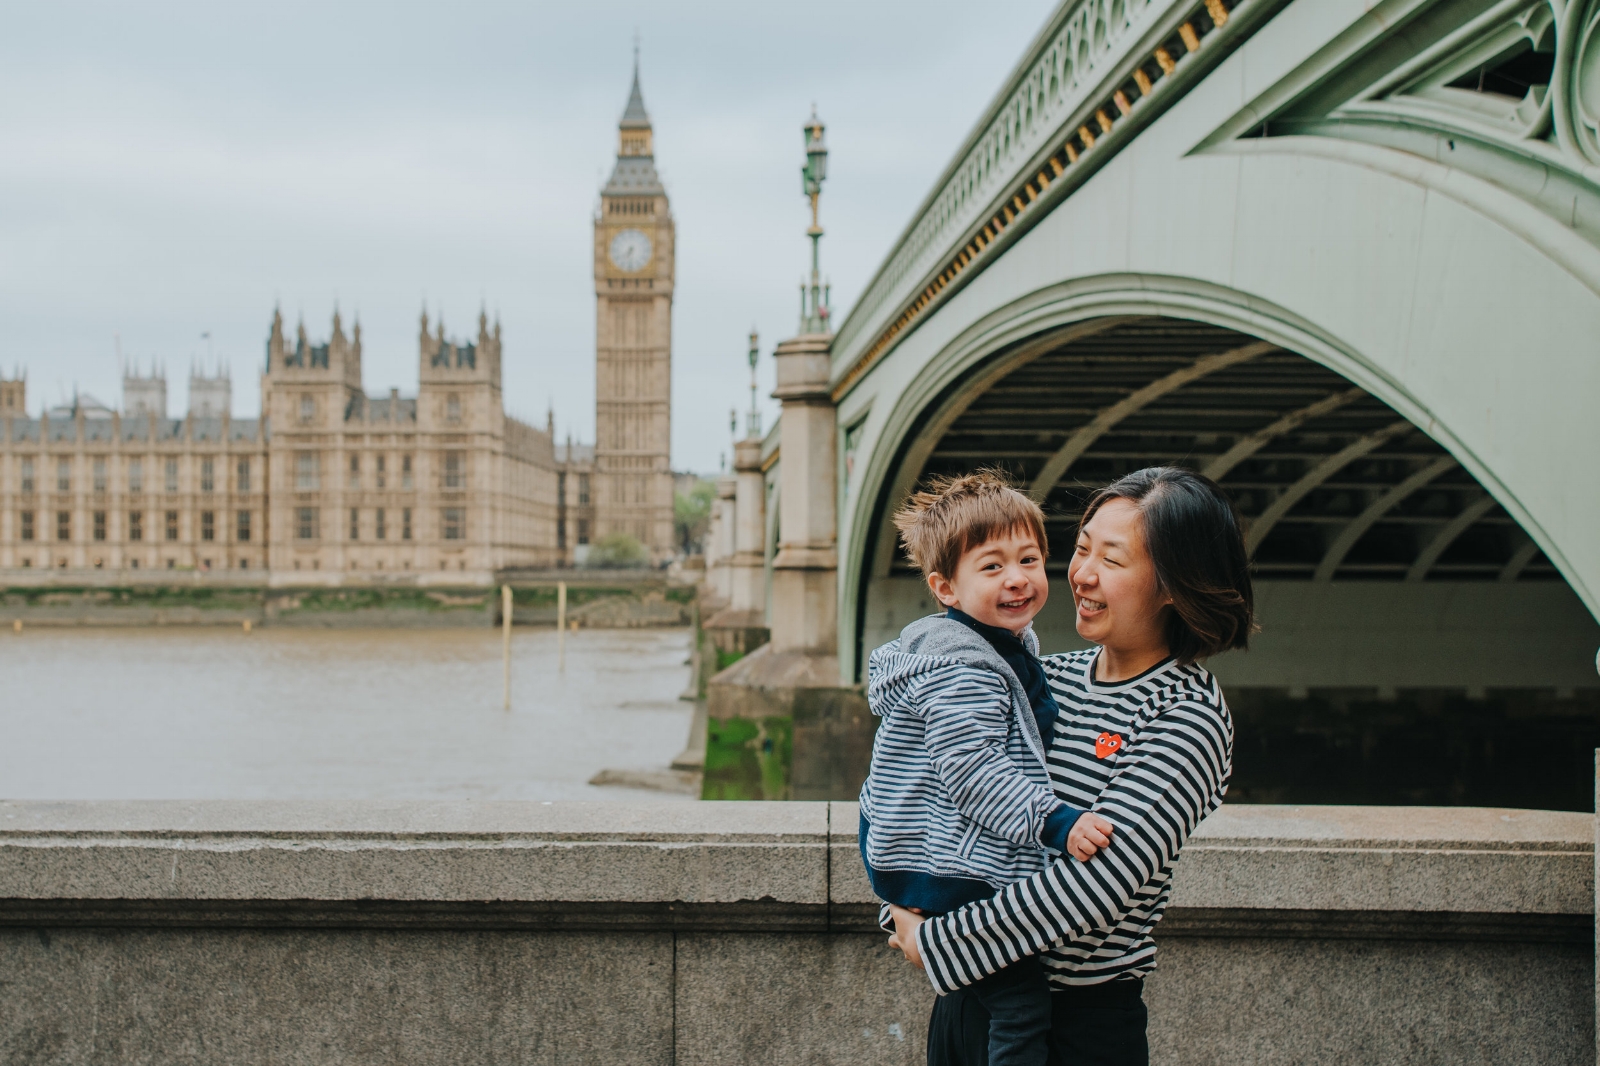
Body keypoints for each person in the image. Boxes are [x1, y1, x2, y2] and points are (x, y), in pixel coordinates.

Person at [886, 466, 1256, 1066]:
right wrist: (900, 899)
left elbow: (1094, 887)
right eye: (1081, 548)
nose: (1080, 574)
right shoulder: (1038, 676)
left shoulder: (1186, 715)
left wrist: (934, 941)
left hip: (1074, 1027)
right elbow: (927, 786)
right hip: (967, 1007)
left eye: (1110, 559)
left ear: (1172, 584)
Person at [858, 470, 1117, 1066]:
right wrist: (1058, 823)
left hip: (924, 854)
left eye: (1029, 558)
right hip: (947, 866)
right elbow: (973, 772)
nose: (1018, 578)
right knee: (1021, 1004)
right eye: (992, 566)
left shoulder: (1001, 644)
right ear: (945, 589)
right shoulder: (964, 671)